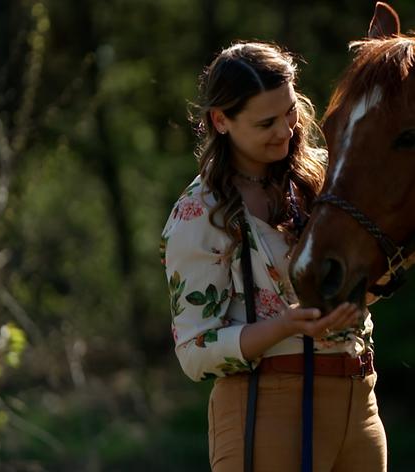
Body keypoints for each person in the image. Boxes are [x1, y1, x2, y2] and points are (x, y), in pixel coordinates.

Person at [160, 41, 387, 472]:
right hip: (265, 406)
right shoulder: (200, 211)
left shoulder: (326, 178)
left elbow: (373, 274)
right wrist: (285, 326)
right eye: (266, 122)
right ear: (220, 121)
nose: (285, 130)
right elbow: (194, 351)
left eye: (290, 112)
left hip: (360, 401)